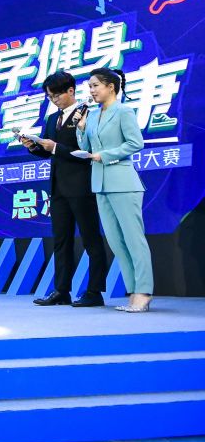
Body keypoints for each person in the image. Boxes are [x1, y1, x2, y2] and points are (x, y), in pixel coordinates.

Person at [22, 71, 107, 307]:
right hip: (58, 188)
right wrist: (33, 146)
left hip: (82, 186)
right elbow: (47, 150)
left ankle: (95, 291)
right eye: (50, 97)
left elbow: (89, 151)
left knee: (91, 239)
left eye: (57, 95)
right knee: (61, 241)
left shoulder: (88, 113)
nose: (54, 100)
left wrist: (55, 147)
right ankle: (61, 290)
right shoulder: (52, 119)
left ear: (71, 90)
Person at [77, 66, 152, 313]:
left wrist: (105, 155)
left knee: (133, 239)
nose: (91, 90)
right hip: (100, 183)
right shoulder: (93, 115)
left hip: (123, 182)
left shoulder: (124, 111)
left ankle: (143, 292)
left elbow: (135, 143)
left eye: (95, 85)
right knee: (116, 241)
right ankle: (133, 292)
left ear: (111, 87)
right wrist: (81, 128)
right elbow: (87, 147)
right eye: (89, 86)